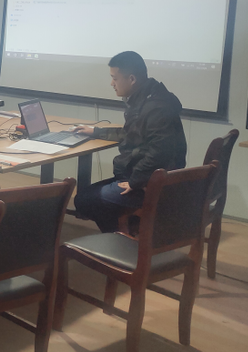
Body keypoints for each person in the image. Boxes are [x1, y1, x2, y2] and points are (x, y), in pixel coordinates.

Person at [72, 51, 187, 233]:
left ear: (132, 79)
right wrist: (96, 131)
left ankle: (121, 241)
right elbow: (133, 133)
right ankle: (129, 231)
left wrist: (135, 182)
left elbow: (160, 152)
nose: (112, 83)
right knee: (86, 196)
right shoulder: (148, 98)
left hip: (152, 184)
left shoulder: (155, 108)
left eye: (114, 78)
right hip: (146, 177)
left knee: (85, 201)